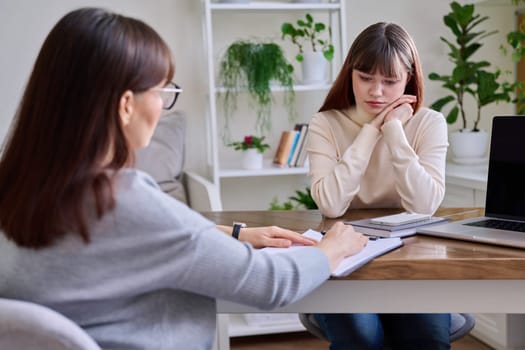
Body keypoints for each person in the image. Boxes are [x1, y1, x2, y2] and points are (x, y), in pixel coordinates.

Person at [0, 8, 369, 350]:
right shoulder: (121, 199)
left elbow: (124, 241)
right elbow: (268, 283)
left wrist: (237, 234)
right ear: (126, 105)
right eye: (161, 91)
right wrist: (331, 248)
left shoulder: (20, 187)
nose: (163, 105)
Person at [306, 22, 450, 349]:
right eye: (366, 78)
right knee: (362, 337)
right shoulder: (325, 123)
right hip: (345, 256)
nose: (376, 92)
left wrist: (395, 132)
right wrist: (370, 132)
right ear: (350, 74)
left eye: (390, 81)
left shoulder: (429, 123)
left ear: (410, 79)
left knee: (427, 337)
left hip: (413, 258)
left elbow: (424, 205)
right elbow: (331, 204)